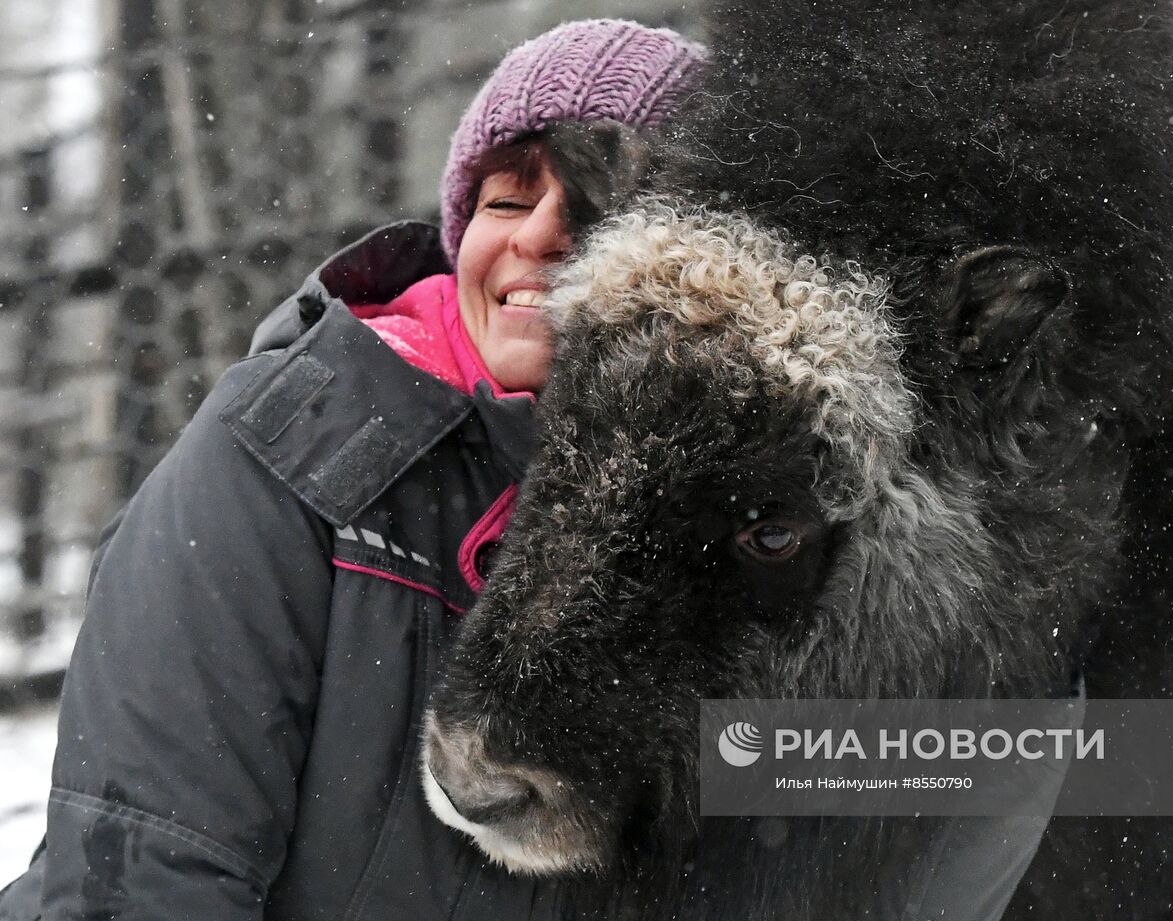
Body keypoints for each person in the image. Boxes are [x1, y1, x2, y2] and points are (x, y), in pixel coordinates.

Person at [0, 19, 706, 920]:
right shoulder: (285, 446)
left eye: (604, 203)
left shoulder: (752, 516)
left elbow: (821, 799)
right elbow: (143, 870)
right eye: (503, 200)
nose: (538, 236)